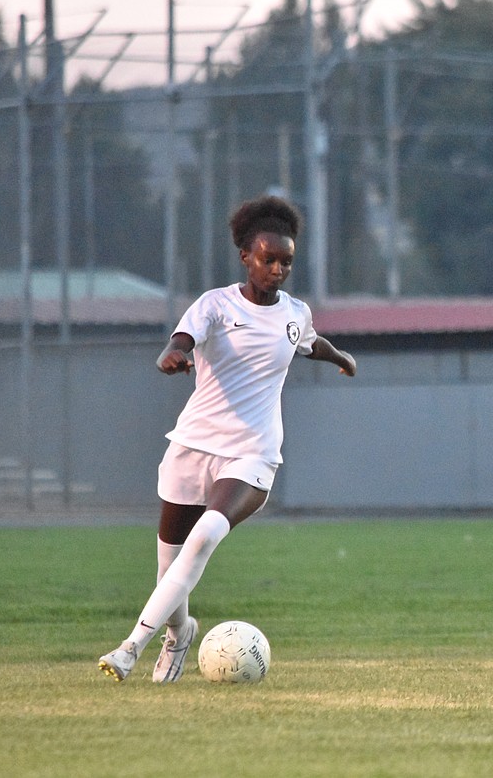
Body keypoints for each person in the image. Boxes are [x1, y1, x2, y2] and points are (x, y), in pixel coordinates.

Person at [99, 195, 357, 683]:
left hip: (253, 453)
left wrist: (340, 356)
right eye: (269, 258)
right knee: (169, 567)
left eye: (286, 261)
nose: (278, 268)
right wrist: (170, 358)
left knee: (205, 538)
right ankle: (179, 634)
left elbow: (308, 343)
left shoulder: (295, 313)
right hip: (192, 446)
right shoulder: (215, 305)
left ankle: (130, 647)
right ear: (246, 255)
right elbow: (179, 343)